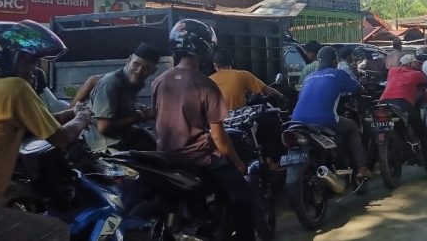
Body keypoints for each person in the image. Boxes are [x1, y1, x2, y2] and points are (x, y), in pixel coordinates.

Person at [0, 20, 93, 241]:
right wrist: (82, 118)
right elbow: (60, 139)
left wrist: (70, 114)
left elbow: (25, 123)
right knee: (56, 231)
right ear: (0, 56)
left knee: (20, 194)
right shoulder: (15, 88)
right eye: (27, 59)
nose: (33, 67)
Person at [152, 19, 254, 240]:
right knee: (243, 195)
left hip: (166, 157)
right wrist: (237, 162)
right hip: (199, 158)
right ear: (205, 47)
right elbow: (218, 136)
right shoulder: (205, 84)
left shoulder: (159, 81)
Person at [291, 47, 371, 178]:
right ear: (335, 61)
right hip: (324, 120)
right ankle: (362, 167)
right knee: (352, 127)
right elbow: (359, 89)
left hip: (297, 121)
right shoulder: (338, 74)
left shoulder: (308, 77)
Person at [84, 42, 161, 153]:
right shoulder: (111, 83)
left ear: (153, 71)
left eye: (146, 68)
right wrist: (140, 116)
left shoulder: (134, 83)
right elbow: (103, 127)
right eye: (136, 64)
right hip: (102, 147)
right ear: (129, 60)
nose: (139, 71)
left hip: (119, 140)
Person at [379, 54, 427, 181]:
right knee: (424, 135)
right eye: (416, 63)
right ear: (411, 64)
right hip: (402, 103)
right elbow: (426, 81)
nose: (418, 65)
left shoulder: (392, 71)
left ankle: (367, 169)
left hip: (383, 103)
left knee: (377, 133)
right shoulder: (416, 74)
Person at [210, 48, 284, 111]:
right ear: (232, 61)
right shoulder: (242, 75)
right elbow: (268, 91)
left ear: (214, 64)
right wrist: (282, 96)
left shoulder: (208, 80)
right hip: (236, 122)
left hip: (214, 125)